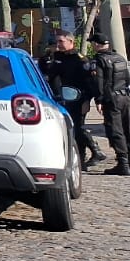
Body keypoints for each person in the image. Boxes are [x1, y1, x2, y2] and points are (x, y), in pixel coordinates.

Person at [43, 34, 103, 166]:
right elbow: (50, 74)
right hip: (64, 97)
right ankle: (81, 158)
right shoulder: (58, 57)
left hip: (79, 98)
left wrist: (88, 100)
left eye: (61, 41)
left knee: (77, 127)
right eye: (57, 41)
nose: (57, 44)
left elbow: (90, 82)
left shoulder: (80, 59)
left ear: (71, 41)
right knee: (72, 129)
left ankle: (95, 150)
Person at [89, 33, 130, 175]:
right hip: (124, 97)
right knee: (127, 127)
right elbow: (127, 78)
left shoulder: (99, 60)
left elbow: (98, 82)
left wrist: (99, 100)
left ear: (96, 44)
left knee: (115, 130)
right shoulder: (120, 57)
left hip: (111, 99)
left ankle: (123, 163)